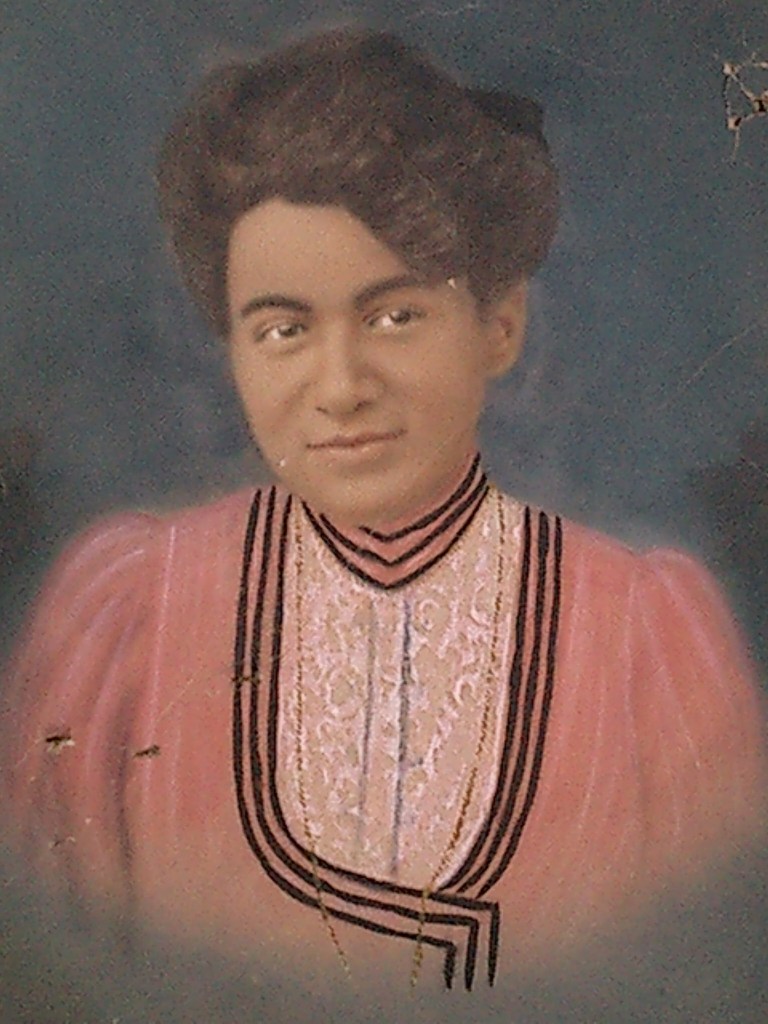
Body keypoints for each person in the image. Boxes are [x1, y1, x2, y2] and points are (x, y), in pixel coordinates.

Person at [1, 28, 764, 996]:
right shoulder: (129, 614)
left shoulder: (647, 636)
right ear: (232, 350)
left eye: (395, 316)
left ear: (498, 326)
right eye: (283, 329)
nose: (340, 387)